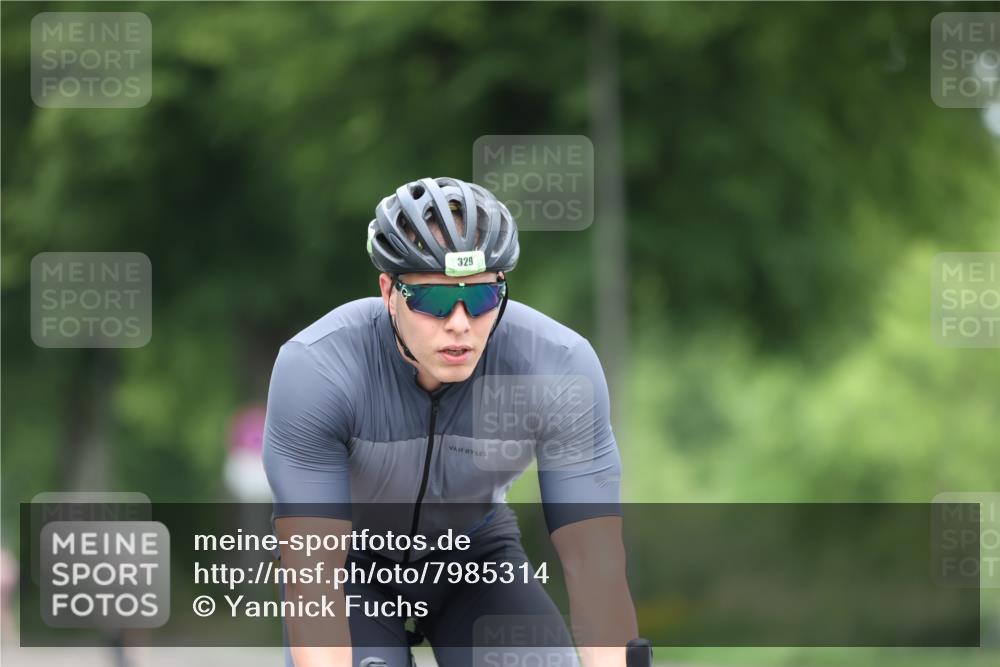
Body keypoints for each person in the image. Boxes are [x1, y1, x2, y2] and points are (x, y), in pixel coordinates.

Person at [263, 177, 639, 667]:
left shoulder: (557, 366)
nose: (460, 322)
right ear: (388, 291)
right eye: (434, 300)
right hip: (354, 566)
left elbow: (595, 563)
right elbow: (314, 572)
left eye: (481, 297)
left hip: (477, 560)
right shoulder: (317, 370)